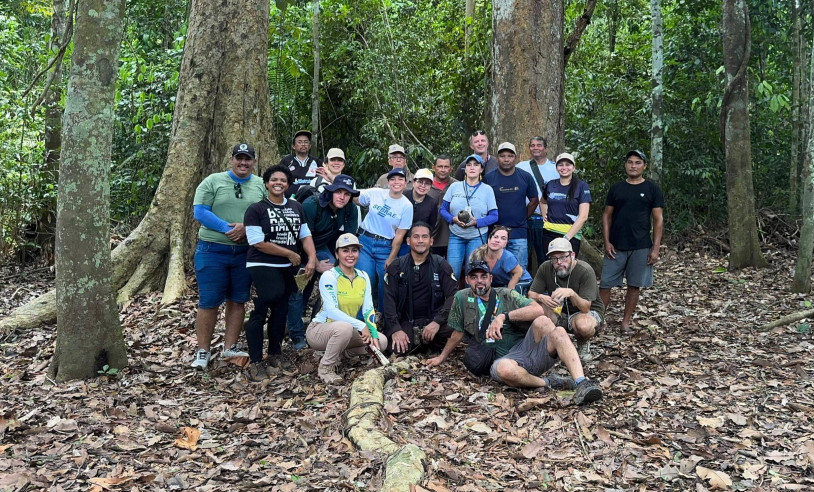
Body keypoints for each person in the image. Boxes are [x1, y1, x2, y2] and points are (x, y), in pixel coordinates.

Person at [424, 261, 602, 405]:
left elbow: (537, 310)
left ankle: (581, 383)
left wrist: (504, 316)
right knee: (504, 368)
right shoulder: (461, 298)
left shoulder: (505, 294)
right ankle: (549, 382)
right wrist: (442, 357)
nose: (479, 281)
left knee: (550, 324)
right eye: (474, 277)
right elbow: (457, 332)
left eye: (483, 276)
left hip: (525, 350)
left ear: (490, 278)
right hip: (502, 360)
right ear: (467, 280)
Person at [190, 143, 267, 369]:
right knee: (209, 301)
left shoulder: (261, 184)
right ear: (231, 159)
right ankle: (203, 351)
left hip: (246, 252)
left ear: (254, 162)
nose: (243, 163)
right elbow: (200, 211)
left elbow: (267, 211)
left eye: (248, 159)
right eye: (239, 158)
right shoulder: (213, 181)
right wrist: (228, 229)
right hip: (213, 249)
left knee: (238, 299)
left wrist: (246, 227)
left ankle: (229, 347)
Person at [243, 165, 317, 381]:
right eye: (274, 179)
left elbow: (305, 235)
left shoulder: (296, 206)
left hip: (288, 267)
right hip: (263, 264)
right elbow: (257, 242)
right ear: (266, 183)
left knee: (282, 308)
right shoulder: (256, 209)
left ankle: (275, 351)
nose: (278, 183)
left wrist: (311, 258)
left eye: (283, 180)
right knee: (264, 306)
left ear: (288, 184)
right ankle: (256, 360)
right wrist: (288, 253)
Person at [286, 174, 360, 350]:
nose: (342, 197)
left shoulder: (350, 209)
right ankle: (296, 334)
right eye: (339, 192)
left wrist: (344, 262)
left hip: (323, 246)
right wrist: (314, 262)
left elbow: (348, 239)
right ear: (331, 191)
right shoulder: (312, 205)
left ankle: (319, 325)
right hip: (300, 248)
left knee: (333, 280)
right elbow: (303, 236)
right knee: (299, 287)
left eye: (347, 194)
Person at [306, 233, 389, 383]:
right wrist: (360, 325)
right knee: (343, 328)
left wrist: (373, 333)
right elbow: (331, 310)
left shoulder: (363, 276)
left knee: (381, 342)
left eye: (354, 250)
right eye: (345, 251)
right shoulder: (329, 276)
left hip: (347, 331)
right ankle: (325, 368)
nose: (350, 255)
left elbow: (368, 309)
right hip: (320, 329)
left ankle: (342, 354)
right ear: (337, 254)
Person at [599, 150, 664, 330]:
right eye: (630, 162)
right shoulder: (616, 188)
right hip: (616, 245)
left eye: (637, 162)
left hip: (641, 245)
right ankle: (598, 320)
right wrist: (607, 242)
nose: (633, 166)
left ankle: (625, 322)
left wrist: (655, 249)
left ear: (644, 166)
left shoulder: (652, 189)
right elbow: (606, 216)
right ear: (625, 165)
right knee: (605, 284)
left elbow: (658, 219)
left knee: (634, 285)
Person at [383, 222, 457, 355]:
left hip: (434, 321)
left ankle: (430, 344)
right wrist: (395, 329)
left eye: (424, 237)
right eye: (416, 237)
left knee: (457, 328)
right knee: (396, 349)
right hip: (407, 321)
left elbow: (453, 296)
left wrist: (437, 321)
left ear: (431, 241)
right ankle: (423, 345)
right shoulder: (396, 266)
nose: (420, 241)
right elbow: (389, 301)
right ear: (408, 241)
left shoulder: (441, 264)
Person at [528, 238, 604, 361]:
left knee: (583, 326)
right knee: (537, 307)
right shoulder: (545, 268)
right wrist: (541, 297)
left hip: (585, 313)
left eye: (563, 257)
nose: (559, 262)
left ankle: (583, 342)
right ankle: (553, 345)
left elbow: (586, 307)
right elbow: (531, 294)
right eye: (554, 258)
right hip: (559, 311)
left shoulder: (585, 270)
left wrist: (572, 294)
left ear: (572, 255)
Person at [356, 168, 414, 310]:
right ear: (388, 182)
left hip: (385, 246)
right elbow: (352, 195)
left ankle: (383, 317)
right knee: (365, 278)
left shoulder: (407, 206)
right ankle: (361, 318)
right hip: (365, 242)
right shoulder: (376, 193)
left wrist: (391, 257)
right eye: (393, 179)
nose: (396, 182)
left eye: (400, 179)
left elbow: (400, 235)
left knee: (385, 281)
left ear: (405, 183)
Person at [440, 154, 498, 281]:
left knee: (473, 272)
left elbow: (494, 216)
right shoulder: (455, 187)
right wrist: (452, 219)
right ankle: (452, 299)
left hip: (477, 236)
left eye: (476, 165)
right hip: (456, 235)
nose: (472, 168)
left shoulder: (487, 190)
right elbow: (443, 209)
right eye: (469, 165)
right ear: (465, 169)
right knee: (452, 273)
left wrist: (477, 222)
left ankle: (472, 300)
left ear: (481, 169)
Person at [484, 142, 539, 270]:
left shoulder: (525, 177)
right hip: (495, 233)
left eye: (510, 156)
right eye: (502, 156)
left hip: (518, 232)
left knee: (519, 270)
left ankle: (517, 291)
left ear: (515, 158)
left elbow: (534, 200)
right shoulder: (489, 178)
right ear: (497, 158)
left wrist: (522, 217)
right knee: (493, 269)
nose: (506, 159)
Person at [540, 152, 592, 257]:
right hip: (549, 232)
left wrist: (566, 238)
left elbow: (583, 216)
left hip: (571, 235)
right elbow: (542, 201)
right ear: (556, 168)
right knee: (550, 266)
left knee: (567, 267)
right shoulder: (551, 184)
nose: (564, 167)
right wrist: (544, 215)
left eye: (568, 165)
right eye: (560, 165)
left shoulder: (582, 186)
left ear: (573, 167)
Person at [517, 136, 558, 268]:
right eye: (532, 145)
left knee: (545, 257)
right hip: (525, 217)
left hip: (545, 219)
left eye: (539, 145)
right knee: (522, 257)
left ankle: (547, 287)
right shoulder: (521, 167)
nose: (536, 148)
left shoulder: (555, 168)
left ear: (546, 149)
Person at [469, 226, 533, 294]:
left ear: (506, 244)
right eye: (495, 237)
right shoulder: (479, 254)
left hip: (522, 280)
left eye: (503, 238)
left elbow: (519, 272)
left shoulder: (507, 257)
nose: (497, 240)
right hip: (502, 283)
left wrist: (510, 290)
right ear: (489, 239)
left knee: (512, 294)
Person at [400, 169, 438, 255]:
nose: (423, 186)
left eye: (427, 183)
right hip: (395, 240)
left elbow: (430, 226)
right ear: (414, 182)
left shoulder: (432, 203)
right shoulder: (403, 195)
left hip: (415, 244)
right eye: (420, 182)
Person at [428, 155, 457, 256]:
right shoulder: (425, 185)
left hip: (452, 238)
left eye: (446, 167)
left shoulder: (457, 186)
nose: (443, 170)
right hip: (430, 237)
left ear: (451, 169)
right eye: (440, 166)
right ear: (434, 167)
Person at [279, 130, 322, 197]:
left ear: (310, 145)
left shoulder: (317, 162)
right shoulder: (286, 161)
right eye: (299, 142)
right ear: (293, 146)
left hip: (313, 201)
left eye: (306, 142)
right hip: (291, 201)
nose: (303, 144)